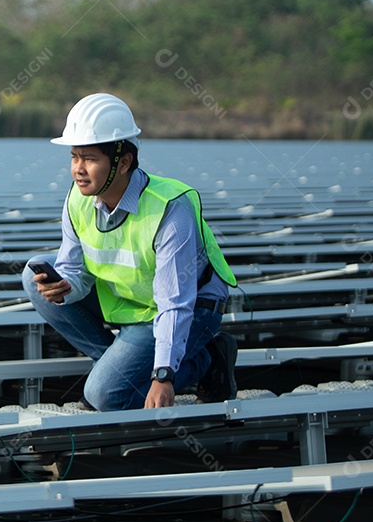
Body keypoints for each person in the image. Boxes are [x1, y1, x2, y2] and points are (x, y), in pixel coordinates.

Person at [23, 93, 238, 411]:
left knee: (105, 396)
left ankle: (207, 361)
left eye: (90, 159)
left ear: (123, 162)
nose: (78, 169)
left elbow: (175, 302)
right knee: (33, 277)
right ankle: (116, 368)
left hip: (189, 310)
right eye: (74, 157)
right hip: (131, 301)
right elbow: (74, 269)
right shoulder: (78, 199)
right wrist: (64, 287)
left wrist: (164, 375)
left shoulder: (169, 208)